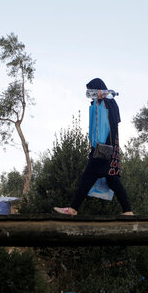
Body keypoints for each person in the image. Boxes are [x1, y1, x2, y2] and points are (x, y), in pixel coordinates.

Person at [54, 78, 133, 215]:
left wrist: (100, 101)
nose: (90, 95)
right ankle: (127, 211)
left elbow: (104, 123)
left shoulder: (107, 102)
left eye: (92, 91)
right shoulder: (109, 103)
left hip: (103, 148)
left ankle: (73, 209)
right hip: (108, 149)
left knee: (89, 177)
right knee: (112, 179)